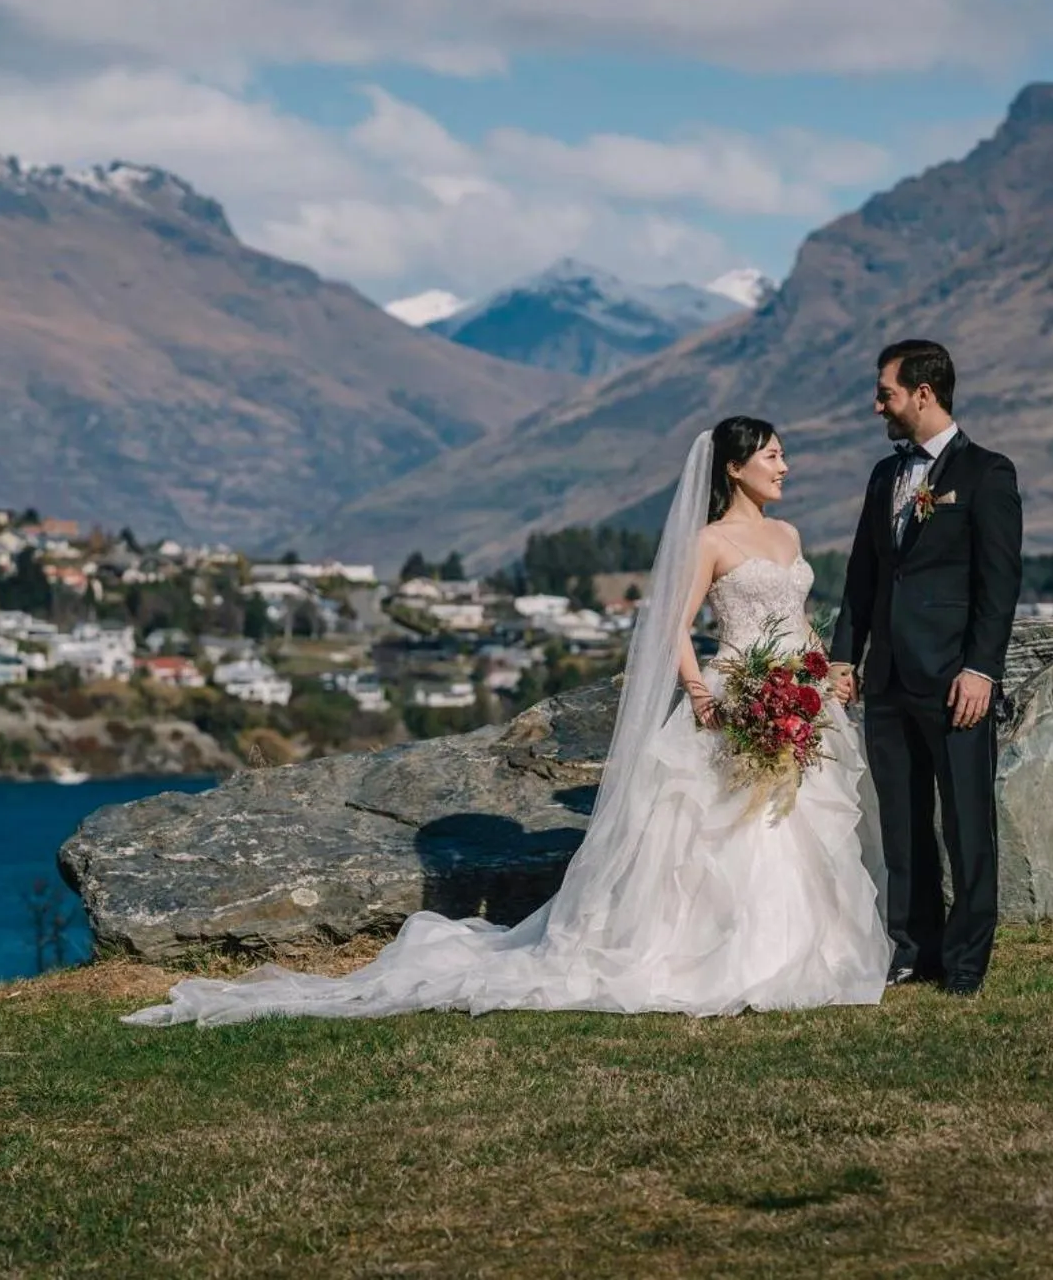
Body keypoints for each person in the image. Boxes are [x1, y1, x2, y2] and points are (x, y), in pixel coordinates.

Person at [123, 416, 890, 1026]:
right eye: (773, 456)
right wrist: (701, 694)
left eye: (784, 456)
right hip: (732, 694)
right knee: (724, 831)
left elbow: (799, 619)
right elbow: (673, 626)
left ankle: (803, 955)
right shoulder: (709, 541)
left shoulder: (788, 539)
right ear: (734, 467)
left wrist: (822, 672)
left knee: (794, 826)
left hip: (797, 693)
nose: (784, 467)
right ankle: (719, 959)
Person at [830, 340, 1022, 997]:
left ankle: (967, 962)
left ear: (922, 392)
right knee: (902, 822)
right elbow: (863, 575)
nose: (876, 402)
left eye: (884, 391)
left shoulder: (988, 474)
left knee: (967, 823)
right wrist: (842, 657)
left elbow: (1000, 585)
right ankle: (913, 948)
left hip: (953, 682)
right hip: (886, 679)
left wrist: (981, 669)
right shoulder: (885, 477)